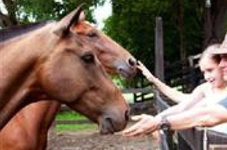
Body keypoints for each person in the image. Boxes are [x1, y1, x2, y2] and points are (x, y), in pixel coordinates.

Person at [122, 37, 227, 137]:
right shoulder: (206, 89)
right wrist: (156, 120)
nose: (206, 76)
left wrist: (158, 122)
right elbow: (183, 106)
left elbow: (206, 115)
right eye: (204, 72)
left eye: (210, 70)